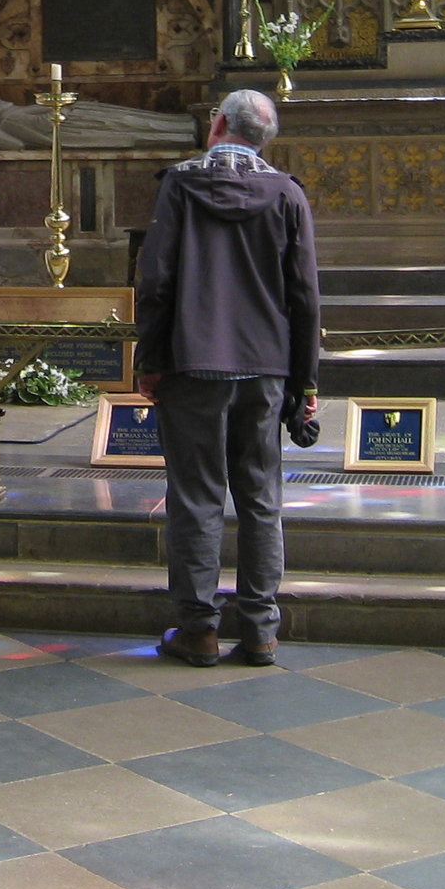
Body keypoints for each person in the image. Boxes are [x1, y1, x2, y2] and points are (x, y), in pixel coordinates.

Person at [134, 89, 319, 670]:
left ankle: (199, 630)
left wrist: (150, 359)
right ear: (266, 138)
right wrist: (305, 383)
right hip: (265, 366)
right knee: (261, 498)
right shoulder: (287, 193)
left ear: (216, 124)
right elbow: (305, 296)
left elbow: (157, 280)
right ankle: (262, 630)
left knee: (196, 497)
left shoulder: (181, 184)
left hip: (193, 361)